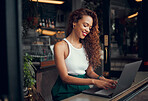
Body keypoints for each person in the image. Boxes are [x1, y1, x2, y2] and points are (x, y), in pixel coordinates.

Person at [51, 8, 117, 101]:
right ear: (74, 23)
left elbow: (89, 72)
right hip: (65, 91)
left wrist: (103, 79)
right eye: (85, 25)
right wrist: (94, 82)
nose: (88, 30)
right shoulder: (61, 46)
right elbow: (65, 78)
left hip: (83, 89)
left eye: (90, 28)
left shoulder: (86, 47)